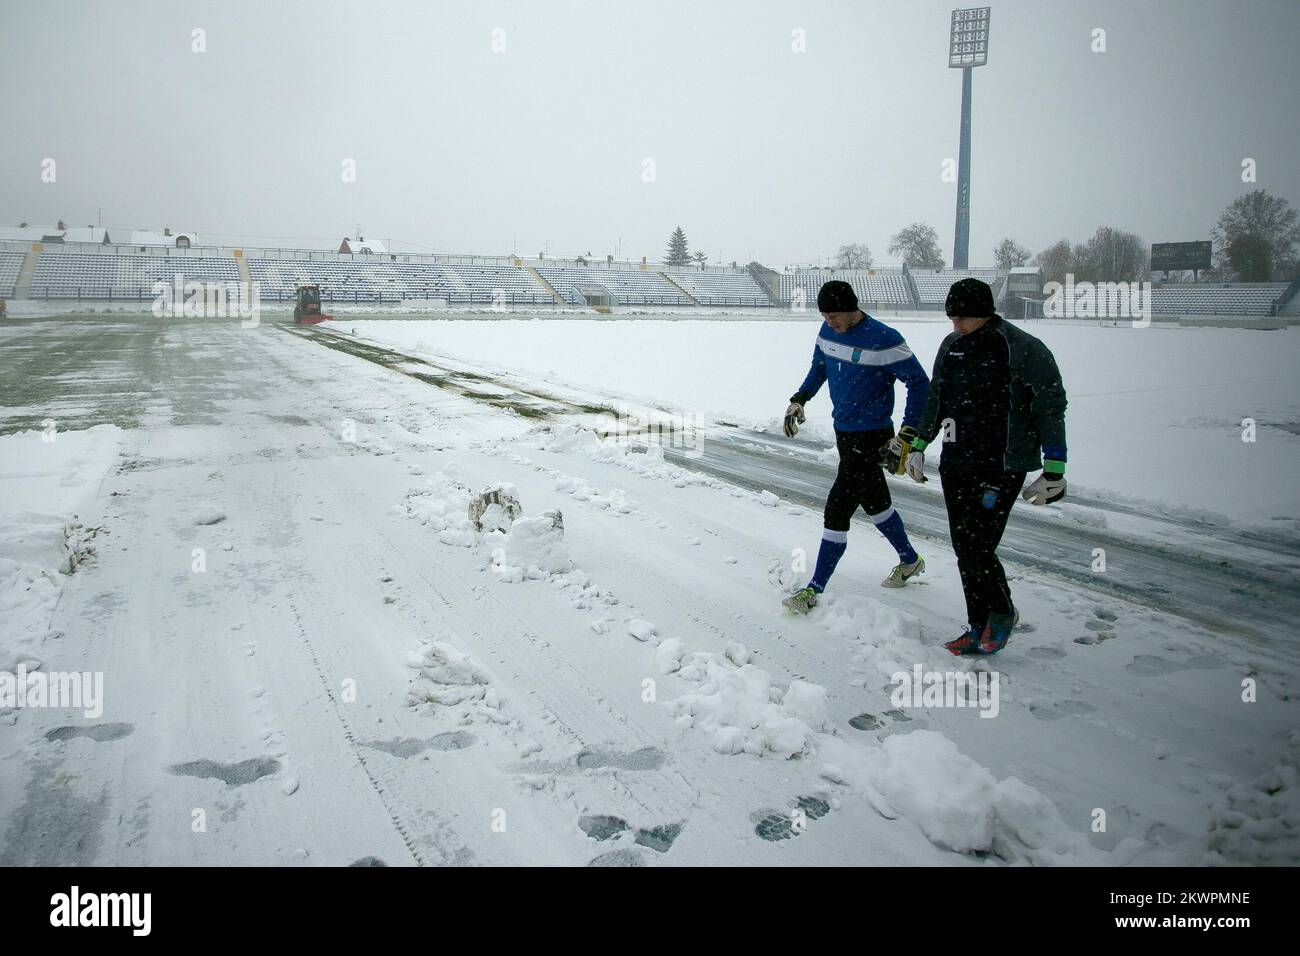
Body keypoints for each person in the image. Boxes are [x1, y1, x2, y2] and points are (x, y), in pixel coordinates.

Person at [905, 278, 1068, 655]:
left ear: (984, 313)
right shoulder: (952, 346)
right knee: (965, 547)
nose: (955, 326)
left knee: (979, 547)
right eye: (951, 319)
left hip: (1001, 465)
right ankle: (977, 624)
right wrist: (918, 444)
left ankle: (1001, 611)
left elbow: (1050, 408)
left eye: (962, 319)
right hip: (956, 460)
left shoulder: (1024, 349)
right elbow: (936, 398)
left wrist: (1055, 466)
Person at [781, 280, 931, 614]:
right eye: (825, 315)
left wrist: (907, 434)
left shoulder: (884, 339)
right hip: (844, 432)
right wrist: (799, 399)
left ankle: (814, 588)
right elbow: (819, 368)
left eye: (835, 315)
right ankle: (910, 559)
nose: (829, 321)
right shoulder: (827, 331)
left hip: (874, 435)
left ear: (853, 309)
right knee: (875, 502)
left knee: (838, 506)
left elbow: (920, 383)